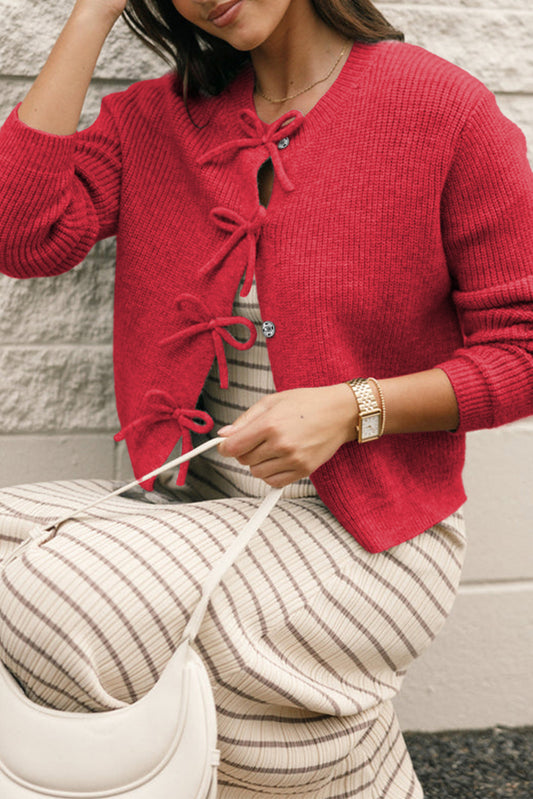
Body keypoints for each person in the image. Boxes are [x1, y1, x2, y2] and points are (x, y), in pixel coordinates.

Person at [0, 0, 532, 796]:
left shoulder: (440, 108)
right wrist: (90, 15)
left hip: (369, 541)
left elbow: (520, 350)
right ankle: (351, 768)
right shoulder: (156, 118)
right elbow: (23, 232)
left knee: (54, 592)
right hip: (194, 521)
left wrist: (355, 406)